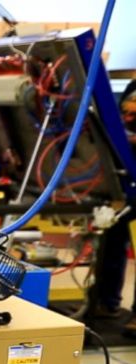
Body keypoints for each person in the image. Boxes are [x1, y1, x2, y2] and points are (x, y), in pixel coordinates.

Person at [89, 82, 136, 330]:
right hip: (125, 180)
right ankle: (107, 302)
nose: (128, 118)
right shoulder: (133, 86)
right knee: (112, 242)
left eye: (133, 116)